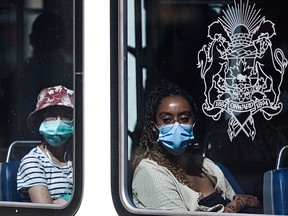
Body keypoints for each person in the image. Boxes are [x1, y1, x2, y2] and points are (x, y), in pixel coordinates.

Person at [131, 80, 262, 213]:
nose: (177, 126)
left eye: (184, 119)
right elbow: (240, 201)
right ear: (154, 128)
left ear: (193, 123)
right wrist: (239, 204)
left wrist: (240, 203)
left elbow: (239, 200)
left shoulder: (205, 165)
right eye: (167, 120)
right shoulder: (149, 172)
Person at [17, 85, 74, 204]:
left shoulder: (76, 157)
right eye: (51, 116)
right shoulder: (32, 161)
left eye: (66, 117)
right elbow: (45, 210)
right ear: (40, 121)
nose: (58, 123)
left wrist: (62, 201)